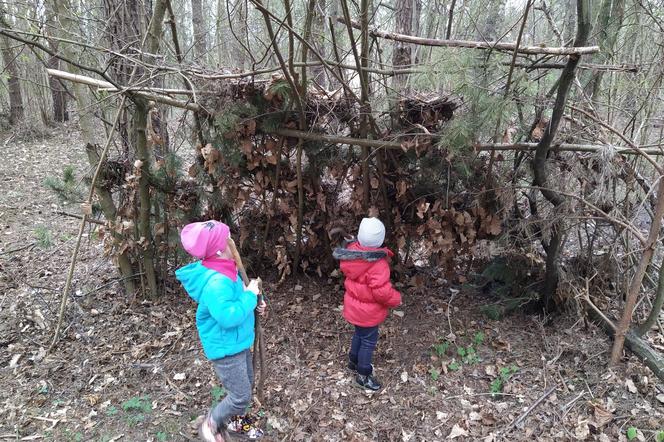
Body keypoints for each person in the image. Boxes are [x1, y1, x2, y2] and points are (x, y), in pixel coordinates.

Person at [175, 220, 267, 442]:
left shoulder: (226, 270)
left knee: (246, 384)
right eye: (227, 240)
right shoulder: (216, 282)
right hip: (226, 348)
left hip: (239, 342)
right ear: (219, 250)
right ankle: (211, 423)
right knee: (240, 395)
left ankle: (237, 423)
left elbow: (238, 299)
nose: (232, 242)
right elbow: (228, 316)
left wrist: (254, 302)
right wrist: (249, 297)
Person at [333, 217, 402, 391]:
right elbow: (382, 292)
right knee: (368, 341)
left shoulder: (352, 254)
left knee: (359, 334)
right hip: (368, 313)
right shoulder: (377, 264)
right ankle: (363, 375)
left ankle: (353, 361)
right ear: (380, 241)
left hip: (354, 308)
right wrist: (395, 299)